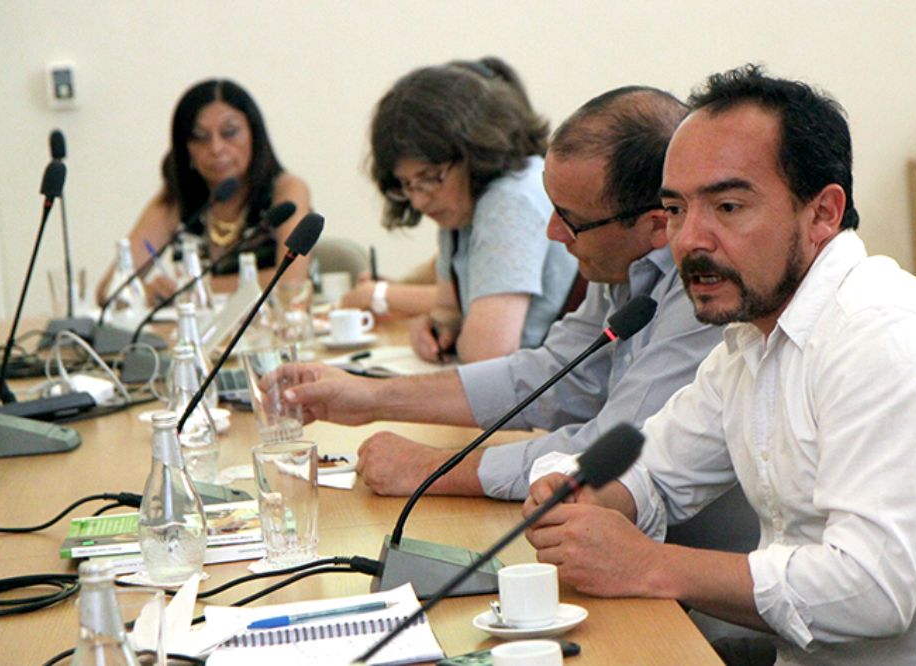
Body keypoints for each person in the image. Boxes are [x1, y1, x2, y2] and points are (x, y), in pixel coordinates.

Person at [524, 65, 916, 665]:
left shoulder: (884, 339)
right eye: (675, 210)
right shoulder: (752, 338)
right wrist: (583, 494)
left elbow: (873, 592)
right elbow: (657, 468)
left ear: (823, 213)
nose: (691, 240)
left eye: (726, 206)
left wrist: (649, 565)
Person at [282, 86, 755, 546]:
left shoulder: (707, 287)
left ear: (655, 224)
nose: (551, 233)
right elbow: (554, 375)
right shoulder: (626, 265)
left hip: (704, 565)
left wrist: (435, 469)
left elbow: (611, 447)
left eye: (569, 219)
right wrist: (369, 396)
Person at [367, 56, 577, 362]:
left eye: (429, 177)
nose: (419, 201)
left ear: (475, 149)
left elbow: (487, 358)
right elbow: (446, 311)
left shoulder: (510, 201)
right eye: (406, 184)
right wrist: (434, 327)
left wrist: (457, 330)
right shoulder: (459, 204)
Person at [97, 78, 311, 305]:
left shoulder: (286, 190)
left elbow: (290, 283)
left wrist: (189, 289)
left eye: (229, 132)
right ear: (185, 149)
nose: (216, 149)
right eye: (200, 137)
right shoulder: (176, 201)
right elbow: (108, 291)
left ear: (254, 136)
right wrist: (145, 292)